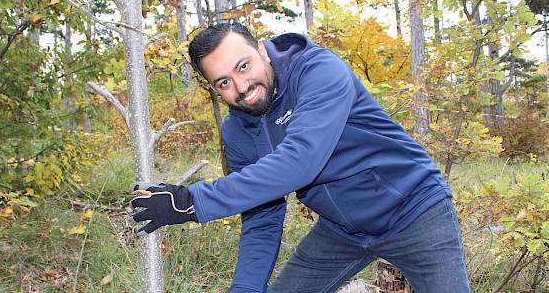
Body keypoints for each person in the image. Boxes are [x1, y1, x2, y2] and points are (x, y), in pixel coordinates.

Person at [130, 21, 470, 293]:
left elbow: (301, 160)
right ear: (214, 89)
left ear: (262, 49)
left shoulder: (317, 70)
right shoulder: (237, 131)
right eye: (224, 82)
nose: (241, 86)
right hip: (343, 231)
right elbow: (262, 214)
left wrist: (193, 202)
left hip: (416, 211)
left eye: (244, 66)